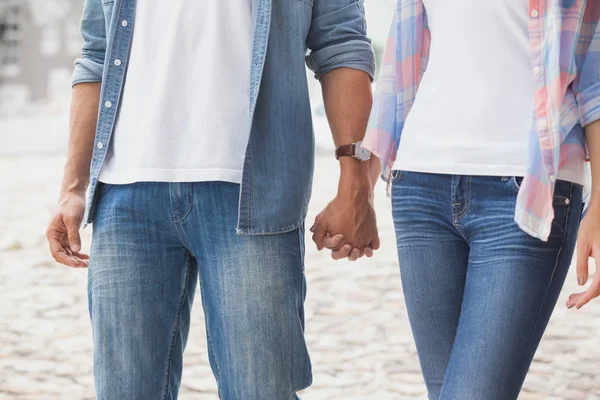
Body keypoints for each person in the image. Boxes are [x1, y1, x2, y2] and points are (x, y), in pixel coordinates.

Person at [45, 0, 378, 398]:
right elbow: (97, 56)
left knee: (260, 390)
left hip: (254, 191)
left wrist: (356, 184)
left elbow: (341, 43)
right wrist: (73, 188)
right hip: (126, 196)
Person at [313, 1, 600, 399]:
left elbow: (594, 79)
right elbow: (402, 63)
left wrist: (599, 204)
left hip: (527, 189)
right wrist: (359, 188)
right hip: (420, 184)